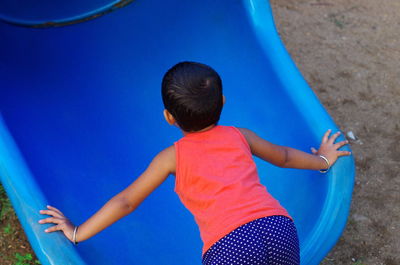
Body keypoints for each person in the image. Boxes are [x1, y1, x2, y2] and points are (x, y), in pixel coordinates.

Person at [39, 61, 350, 265]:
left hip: (229, 246)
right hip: (278, 227)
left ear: (169, 117)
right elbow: (283, 156)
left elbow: (125, 202)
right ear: (223, 101)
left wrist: (77, 232)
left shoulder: (171, 157)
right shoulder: (240, 135)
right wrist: (323, 159)